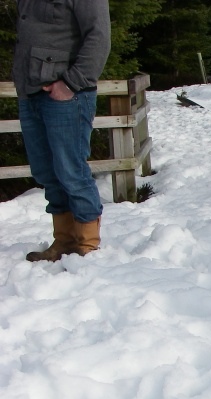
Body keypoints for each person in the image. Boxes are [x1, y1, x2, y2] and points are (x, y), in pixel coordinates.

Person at [12, 0, 111, 262]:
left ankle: (87, 245)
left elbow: (99, 36)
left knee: (71, 170)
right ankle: (64, 241)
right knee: (46, 171)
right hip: (30, 92)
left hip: (68, 94)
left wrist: (70, 83)